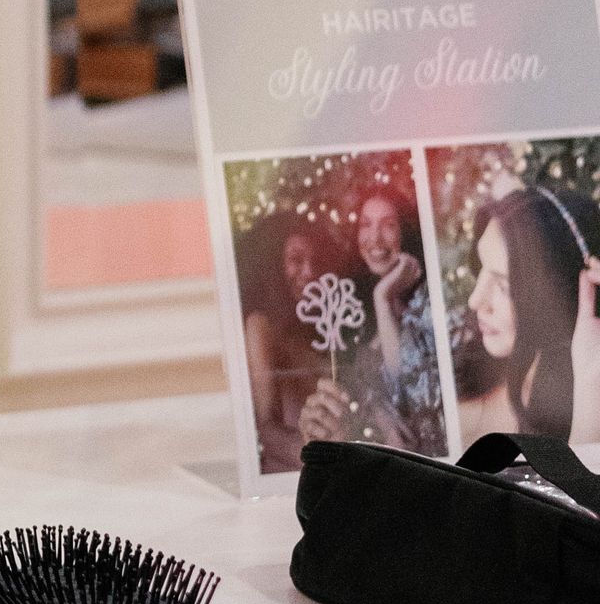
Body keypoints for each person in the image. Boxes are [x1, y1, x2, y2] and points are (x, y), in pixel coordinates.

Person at [299, 185, 444, 455]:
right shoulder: (351, 311)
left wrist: (383, 296)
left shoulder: (428, 307)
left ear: (406, 232)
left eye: (388, 225)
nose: (375, 238)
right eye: (366, 225)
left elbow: (404, 393)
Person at [454, 181, 600, 444]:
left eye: (503, 286)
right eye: (481, 267)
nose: (475, 301)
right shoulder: (458, 356)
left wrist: (591, 378)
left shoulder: (581, 408)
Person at [243, 215, 339, 472]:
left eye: (315, 262)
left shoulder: (316, 333)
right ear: (276, 265)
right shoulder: (261, 326)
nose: (309, 272)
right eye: (296, 260)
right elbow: (265, 428)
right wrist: (326, 461)